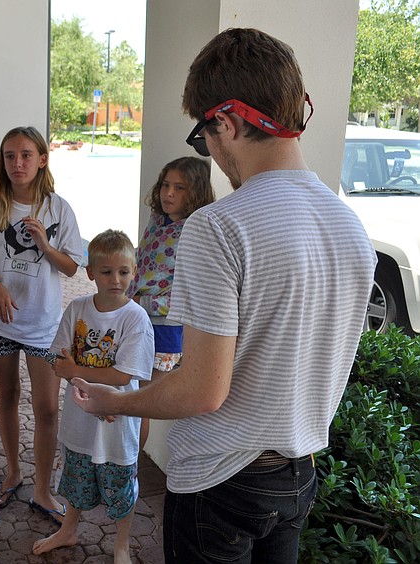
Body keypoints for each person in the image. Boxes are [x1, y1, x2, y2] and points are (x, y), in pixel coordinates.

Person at [70, 28, 377, 562]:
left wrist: (115, 402)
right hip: (298, 475)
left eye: (203, 137)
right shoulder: (350, 228)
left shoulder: (218, 227)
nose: (208, 150)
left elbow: (202, 392)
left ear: (228, 123)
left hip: (221, 481)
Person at [0, 125, 84, 522]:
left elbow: (71, 267)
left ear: (42, 159)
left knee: (48, 408)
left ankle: (43, 490)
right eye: (9, 156)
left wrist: (46, 246)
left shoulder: (58, 208)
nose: (17, 163)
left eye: (26, 155)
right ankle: (14, 472)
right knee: (7, 396)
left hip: (43, 325)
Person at [32, 230, 154, 564]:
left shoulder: (136, 318)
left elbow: (124, 375)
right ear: (90, 272)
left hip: (118, 425)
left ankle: (122, 544)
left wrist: (76, 371)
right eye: (106, 272)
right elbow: (58, 361)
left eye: (124, 272)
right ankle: (68, 529)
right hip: (80, 420)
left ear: (133, 271)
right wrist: (72, 371)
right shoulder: (77, 308)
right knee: (76, 480)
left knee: (121, 489)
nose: (116, 280)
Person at [127, 157, 214, 448]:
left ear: (196, 192)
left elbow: (192, 293)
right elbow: (143, 264)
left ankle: (131, 467)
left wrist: (146, 304)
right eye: (166, 185)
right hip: (135, 317)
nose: (169, 193)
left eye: (180, 187)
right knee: (129, 391)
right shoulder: (157, 219)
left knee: (141, 401)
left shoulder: (197, 231)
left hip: (164, 328)